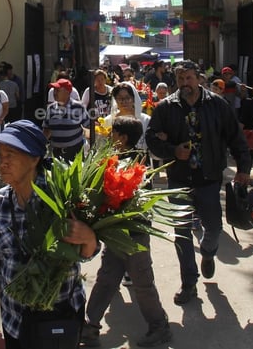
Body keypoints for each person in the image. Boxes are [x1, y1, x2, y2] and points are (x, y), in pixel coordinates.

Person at [0, 120, 99, 348]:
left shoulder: (61, 197)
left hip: (59, 316)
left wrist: (89, 238)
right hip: (14, 319)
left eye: (11, 153)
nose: (3, 161)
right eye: (0, 154)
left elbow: (85, 253)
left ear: (34, 158)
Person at [146, 60, 252, 305]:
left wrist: (244, 168)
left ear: (199, 79)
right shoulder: (166, 107)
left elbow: (236, 138)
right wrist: (173, 150)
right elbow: (151, 138)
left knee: (213, 228)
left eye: (189, 78)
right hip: (178, 180)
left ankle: (207, 252)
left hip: (209, 178)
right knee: (181, 234)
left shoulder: (217, 105)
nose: (185, 84)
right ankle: (189, 284)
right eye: (181, 79)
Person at [82, 116, 172, 348]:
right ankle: (90, 326)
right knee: (106, 279)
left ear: (122, 138)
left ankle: (159, 326)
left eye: (113, 133)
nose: (110, 137)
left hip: (133, 235)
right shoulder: (112, 158)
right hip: (115, 232)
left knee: (142, 283)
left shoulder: (136, 162)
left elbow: (141, 200)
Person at [43, 78, 90, 161]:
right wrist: (40, 144)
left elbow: (88, 127)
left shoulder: (78, 107)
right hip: (56, 153)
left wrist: (90, 145)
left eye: (58, 90)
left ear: (68, 92)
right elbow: (47, 130)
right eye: (54, 90)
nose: (54, 93)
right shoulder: (51, 108)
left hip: (74, 152)